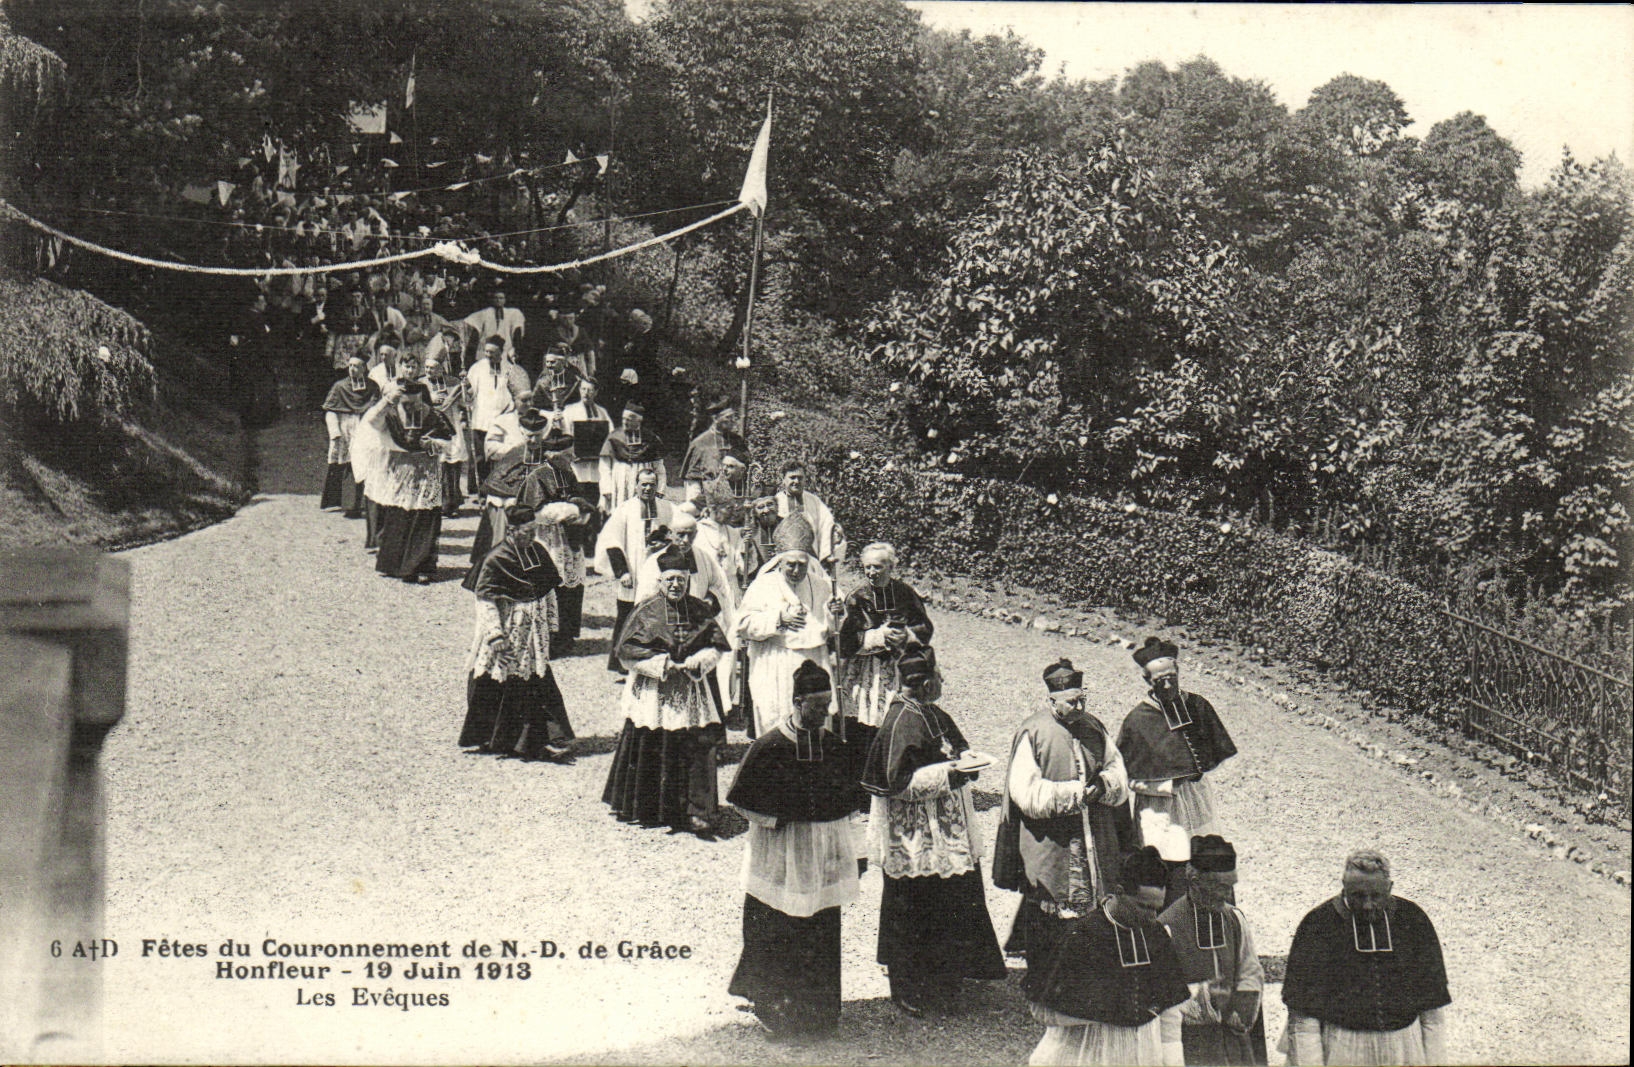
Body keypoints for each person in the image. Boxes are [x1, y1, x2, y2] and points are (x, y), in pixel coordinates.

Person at [860, 647, 1006, 1017]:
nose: (942, 683)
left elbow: (956, 747)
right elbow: (897, 784)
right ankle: (909, 986)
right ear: (924, 684)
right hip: (915, 835)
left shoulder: (932, 713)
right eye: (938, 678)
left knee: (951, 898)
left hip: (946, 824)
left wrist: (965, 763)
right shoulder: (899, 722)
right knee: (914, 905)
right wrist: (950, 774)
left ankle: (946, 978)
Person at [726, 660, 868, 1038]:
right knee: (778, 927)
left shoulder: (835, 746)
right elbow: (742, 800)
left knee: (821, 927)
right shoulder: (770, 745)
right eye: (817, 707)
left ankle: (820, 1014)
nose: (824, 715)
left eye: (828, 707)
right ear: (797, 701)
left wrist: (855, 852)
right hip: (782, 853)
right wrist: (779, 814)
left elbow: (851, 805)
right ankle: (778, 1012)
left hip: (821, 855)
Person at [992, 658, 1131, 973]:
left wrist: (1104, 784)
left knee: (1096, 908)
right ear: (1051, 699)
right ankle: (1047, 978)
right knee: (1051, 912)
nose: (1079, 706)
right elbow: (1024, 792)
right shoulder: (1035, 731)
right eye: (1072, 701)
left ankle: (1090, 974)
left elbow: (1116, 769)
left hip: (1093, 835)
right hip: (1051, 842)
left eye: (1083, 699)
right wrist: (1074, 794)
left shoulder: (1094, 726)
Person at [602, 544, 732, 836]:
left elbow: (716, 646)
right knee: (654, 743)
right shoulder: (645, 611)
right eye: (670, 579)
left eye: (681, 580)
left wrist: (700, 661)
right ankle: (651, 808)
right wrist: (661, 664)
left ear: (688, 581)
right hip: (655, 692)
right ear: (660, 581)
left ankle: (699, 811)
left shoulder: (700, 609)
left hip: (692, 688)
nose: (675, 585)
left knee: (698, 746)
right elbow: (626, 652)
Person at [1021, 846, 1192, 1066]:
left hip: (1145, 1054)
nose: (1152, 916)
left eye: (1157, 908)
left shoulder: (1157, 935)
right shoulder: (1082, 935)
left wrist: (1174, 1061)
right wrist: (1108, 1008)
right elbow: (1042, 1010)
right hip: (1089, 1053)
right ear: (1119, 892)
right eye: (1144, 906)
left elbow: (1169, 1010)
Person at [1280, 851, 1451, 1066]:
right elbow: (1304, 1019)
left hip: (1405, 1048)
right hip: (1342, 1048)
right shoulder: (1318, 925)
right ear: (1344, 886)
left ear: (1389, 887)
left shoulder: (1414, 920)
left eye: (1376, 896)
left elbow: (1432, 1013)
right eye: (1358, 896)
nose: (1368, 905)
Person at [1117, 637, 1238, 902]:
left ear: (1179, 673)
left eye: (1172, 676)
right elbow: (1128, 777)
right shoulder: (1138, 721)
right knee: (1168, 869)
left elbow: (1212, 752)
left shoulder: (1197, 706)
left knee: (1206, 860)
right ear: (1148, 681)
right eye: (1160, 680)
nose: (1168, 684)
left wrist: (1194, 774)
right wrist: (1167, 785)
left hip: (1195, 800)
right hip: (1160, 810)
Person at [457, 503, 576, 762]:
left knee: (537, 680)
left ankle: (545, 739)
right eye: (527, 530)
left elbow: (548, 590)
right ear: (512, 530)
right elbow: (486, 600)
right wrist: (495, 635)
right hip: (508, 629)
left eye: (534, 529)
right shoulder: (496, 558)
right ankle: (495, 738)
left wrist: (552, 625)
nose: (532, 535)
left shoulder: (538, 551)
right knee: (497, 681)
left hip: (535, 632)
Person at [1157, 835, 1268, 1066]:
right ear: (1195, 881)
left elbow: (1250, 969)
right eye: (1220, 887)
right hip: (1191, 1045)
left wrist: (1242, 1006)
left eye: (1231, 887)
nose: (1228, 896)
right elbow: (1161, 995)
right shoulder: (1166, 927)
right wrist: (1207, 997)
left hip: (1234, 1041)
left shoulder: (1234, 919)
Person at [733, 516, 840, 738]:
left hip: (814, 660)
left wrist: (835, 613)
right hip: (775, 662)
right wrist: (778, 620)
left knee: (815, 721)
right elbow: (742, 624)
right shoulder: (763, 584)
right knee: (778, 721)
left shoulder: (821, 585)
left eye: (802, 565)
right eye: (790, 564)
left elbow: (834, 627)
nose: (795, 570)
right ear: (780, 561)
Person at [354, 353, 456, 583]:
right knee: (398, 519)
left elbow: (448, 444)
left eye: (417, 403)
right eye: (407, 404)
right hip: (399, 474)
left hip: (425, 474)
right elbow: (372, 422)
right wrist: (389, 400)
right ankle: (394, 564)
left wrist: (431, 445)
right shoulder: (390, 415)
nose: (412, 408)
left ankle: (418, 566)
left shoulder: (434, 416)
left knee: (424, 520)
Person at [838, 543, 933, 745]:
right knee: (864, 723)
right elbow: (846, 639)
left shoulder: (905, 593)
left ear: (891, 567)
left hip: (899, 666)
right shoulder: (857, 597)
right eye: (868, 567)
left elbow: (924, 627)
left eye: (878, 567)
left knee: (899, 720)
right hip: (865, 670)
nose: (872, 573)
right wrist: (876, 637)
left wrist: (907, 636)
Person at [594, 468, 675, 674]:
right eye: (644, 484)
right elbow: (611, 541)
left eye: (651, 484)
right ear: (636, 485)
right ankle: (623, 664)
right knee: (628, 616)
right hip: (633, 571)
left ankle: (654, 661)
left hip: (658, 572)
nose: (648, 488)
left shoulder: (667, 508)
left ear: (657, 486)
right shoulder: (625, 509)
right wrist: (622, 572)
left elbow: (679, 529)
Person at [530, 496, 595, 657]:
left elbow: (586, 504)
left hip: (570, 539)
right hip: (548, 541)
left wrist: (579, 508)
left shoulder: (567, 472)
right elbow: (534, 511)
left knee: (571, 588)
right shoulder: (536, 476)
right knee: (550, 587)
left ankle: (566, 636)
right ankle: (548, 641)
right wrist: (571, 509)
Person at [320, 353, 379, 517]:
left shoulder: (372, 387)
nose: (352, 369)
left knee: (363, 465)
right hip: (344, 429)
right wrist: (335, 432)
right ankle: (333, 502)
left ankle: (359, 503)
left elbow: (376, 407)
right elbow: (330, 410)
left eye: (356, 366)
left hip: (364, 427)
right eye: (350, 366)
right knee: (339, 464)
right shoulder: (339, 387)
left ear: (364, 369)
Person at [466, 336, 531, 484]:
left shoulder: (511, 369)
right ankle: (477, 488)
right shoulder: (477, 368)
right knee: (479, 457)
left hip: (502, 420)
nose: (488, 355)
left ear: (501, 352)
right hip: (481, 420)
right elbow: (469, 395)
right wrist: (466, 388)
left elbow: (518, 394)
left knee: (498, 456)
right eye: (486, 351)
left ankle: (496, 486)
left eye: (492, 352)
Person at [421, 347, 470, 518]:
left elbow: (466, 402)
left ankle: (451, 503)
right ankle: (434, 503)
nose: (428, 371)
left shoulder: (453, 383)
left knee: (452, 466)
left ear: (441, 368)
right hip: (431, 429)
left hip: (452, 427)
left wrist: (465, 389)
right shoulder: (421, 384)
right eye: (426, 368)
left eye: (432, 368)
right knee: (435, 465)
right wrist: (430, 400)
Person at [776, 463, 845, 567]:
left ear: (805, 480)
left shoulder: (813, 500)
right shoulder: (776, 501)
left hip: (811, 555)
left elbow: (826, 522)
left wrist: (830, 541)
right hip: (784, 555)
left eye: (800, 478)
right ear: (783, 480)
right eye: (792, 478)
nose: (796, 481)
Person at [602, 402, 667, 511]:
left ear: (639, 420)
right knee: (621, 514)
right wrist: (606, 488)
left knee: (644, 515)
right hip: (620, 482)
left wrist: (660, 490)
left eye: (629, 419)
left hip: (645, 482)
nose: (625, 422)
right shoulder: (614, 436)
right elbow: (604, 466)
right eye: (623, 418)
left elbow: (659, 468)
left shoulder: (650, 438)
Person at [680, 398, 748, 500]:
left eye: (734, 417)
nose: (733, 420)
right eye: (728, 417)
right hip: (708, 496)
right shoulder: (700, 442)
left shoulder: (737, 440)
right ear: (715, 418)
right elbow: (693, 479)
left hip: (736, 495)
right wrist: (695, 500)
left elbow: (746, 466)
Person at [562, 378, 612, 503]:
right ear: (579, 390)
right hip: (577, 464)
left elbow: (610, 435)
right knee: (578, 497)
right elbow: (565, 434)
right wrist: (571, 452)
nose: (586, 393)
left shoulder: (602, 412)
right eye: (583, 389)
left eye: (590, 390)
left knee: (594, 497)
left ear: (596, 392)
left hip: (596, 465)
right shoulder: (570, 410)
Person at [462, 286, 526, 361]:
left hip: (505, 346)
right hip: (487, 346)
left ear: (505, 300)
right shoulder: (485, 313)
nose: (498, 300)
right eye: (496, 298)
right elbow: (471, 322)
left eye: (501, 298)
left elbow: (517, 328)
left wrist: (516, 348)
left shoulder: (512, 313)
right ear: (492, 299)